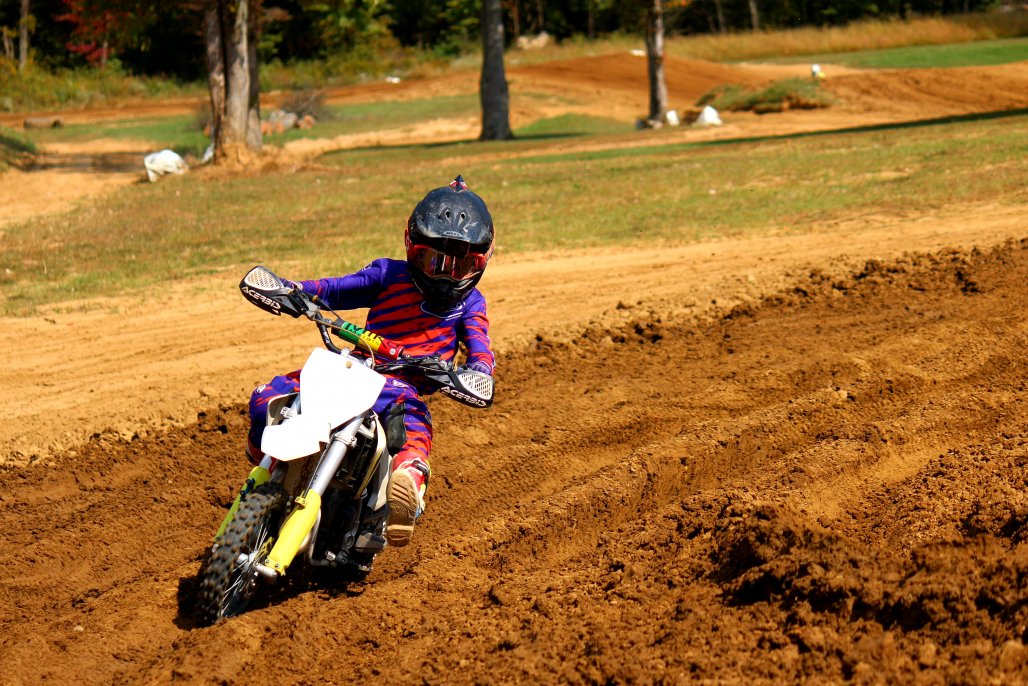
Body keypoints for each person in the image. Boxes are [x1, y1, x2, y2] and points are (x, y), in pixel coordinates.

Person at [245, 175, 496, 547]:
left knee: (414, 426)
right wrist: (290, 291)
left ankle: (407, 483)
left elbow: (481, 349)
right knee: (267, 396)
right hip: (351, 367)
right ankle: (265, 465)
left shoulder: (470, 304)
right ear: (412, 247)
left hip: (401, 389)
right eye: (433, 260)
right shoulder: (389, 274)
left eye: (458, 266)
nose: (444, 274)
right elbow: (331, 289)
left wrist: (477, 373)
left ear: (480, 262)